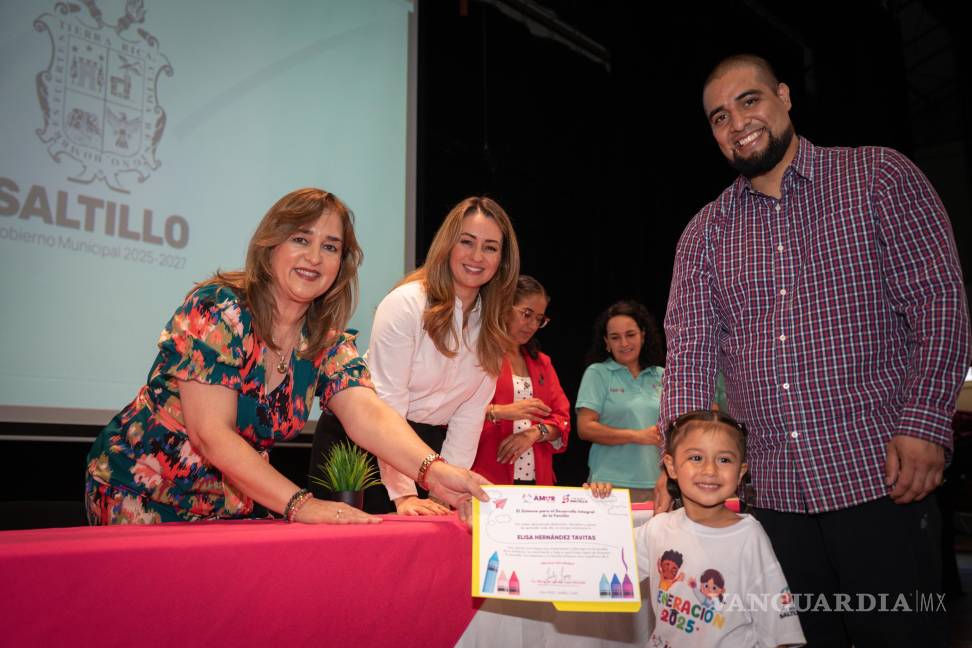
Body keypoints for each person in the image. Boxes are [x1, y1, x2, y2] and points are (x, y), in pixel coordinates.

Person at [658, 53, 970, 646]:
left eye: (749, 101)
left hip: (880, 476)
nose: (737, 122)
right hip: (768, 498)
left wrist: (927, 423)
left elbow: (938, 303)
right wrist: (682, 467)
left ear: (784, 96)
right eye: (719, 117)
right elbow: (692, 355)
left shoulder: (879, 176)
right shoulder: (703, 233)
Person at [85, 188, 488, 525]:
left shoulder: (323, 337)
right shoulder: (218, 309)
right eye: (301, 239)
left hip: (230, 504)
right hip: (141, 492)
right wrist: (303, 505)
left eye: (330, 247)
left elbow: (368, 412)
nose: (314, 257)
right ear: (271, 245)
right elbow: (212, 434)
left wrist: (433, 471)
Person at [313, 196, 520, 515]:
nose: (477, 256)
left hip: (424, 451)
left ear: (503, 260)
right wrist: (404, 495)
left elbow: (468, 418)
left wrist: (449, 493)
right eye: (467, 242)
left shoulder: (492, 328)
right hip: (362, 444)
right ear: (448, 245)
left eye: (490, 247)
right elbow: (388, 405)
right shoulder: (405, 304)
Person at [471, 275, 570, 485]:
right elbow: (449, 413)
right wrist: (499, 412)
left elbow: (562, 419)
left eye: (539, 319)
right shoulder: (477, 355)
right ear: (504, 306)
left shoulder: (542, 363)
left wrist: (535, 433)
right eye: (527, 314)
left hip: (537, 481)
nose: (533, 325)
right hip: (484, 477)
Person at [575, 300, 665, 502]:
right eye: (615, 337)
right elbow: (585, 428)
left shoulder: (662, 375)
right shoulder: (598, 373)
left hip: (659, 484)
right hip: (608, 486)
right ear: (606, 342)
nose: (624, 343)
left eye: (630, 335)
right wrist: (636, 436)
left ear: (643, 335)